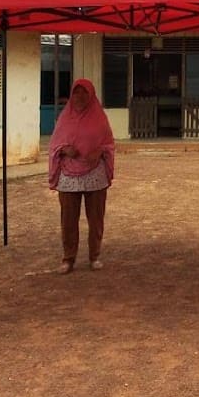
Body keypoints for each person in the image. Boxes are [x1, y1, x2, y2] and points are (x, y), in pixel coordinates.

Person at [48, 79, 116, 273]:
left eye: (84, 93)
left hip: (95, 173)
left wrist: (100, 151)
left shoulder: (100, 118)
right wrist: (64, 149)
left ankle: (94, 256)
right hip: (69, 176)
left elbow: (109, 144)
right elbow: (54, 144)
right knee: (68, 219)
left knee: (95, 217)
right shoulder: (64, 118)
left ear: (91, 95)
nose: (80, 97)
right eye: (76, 93)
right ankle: (68, 258)